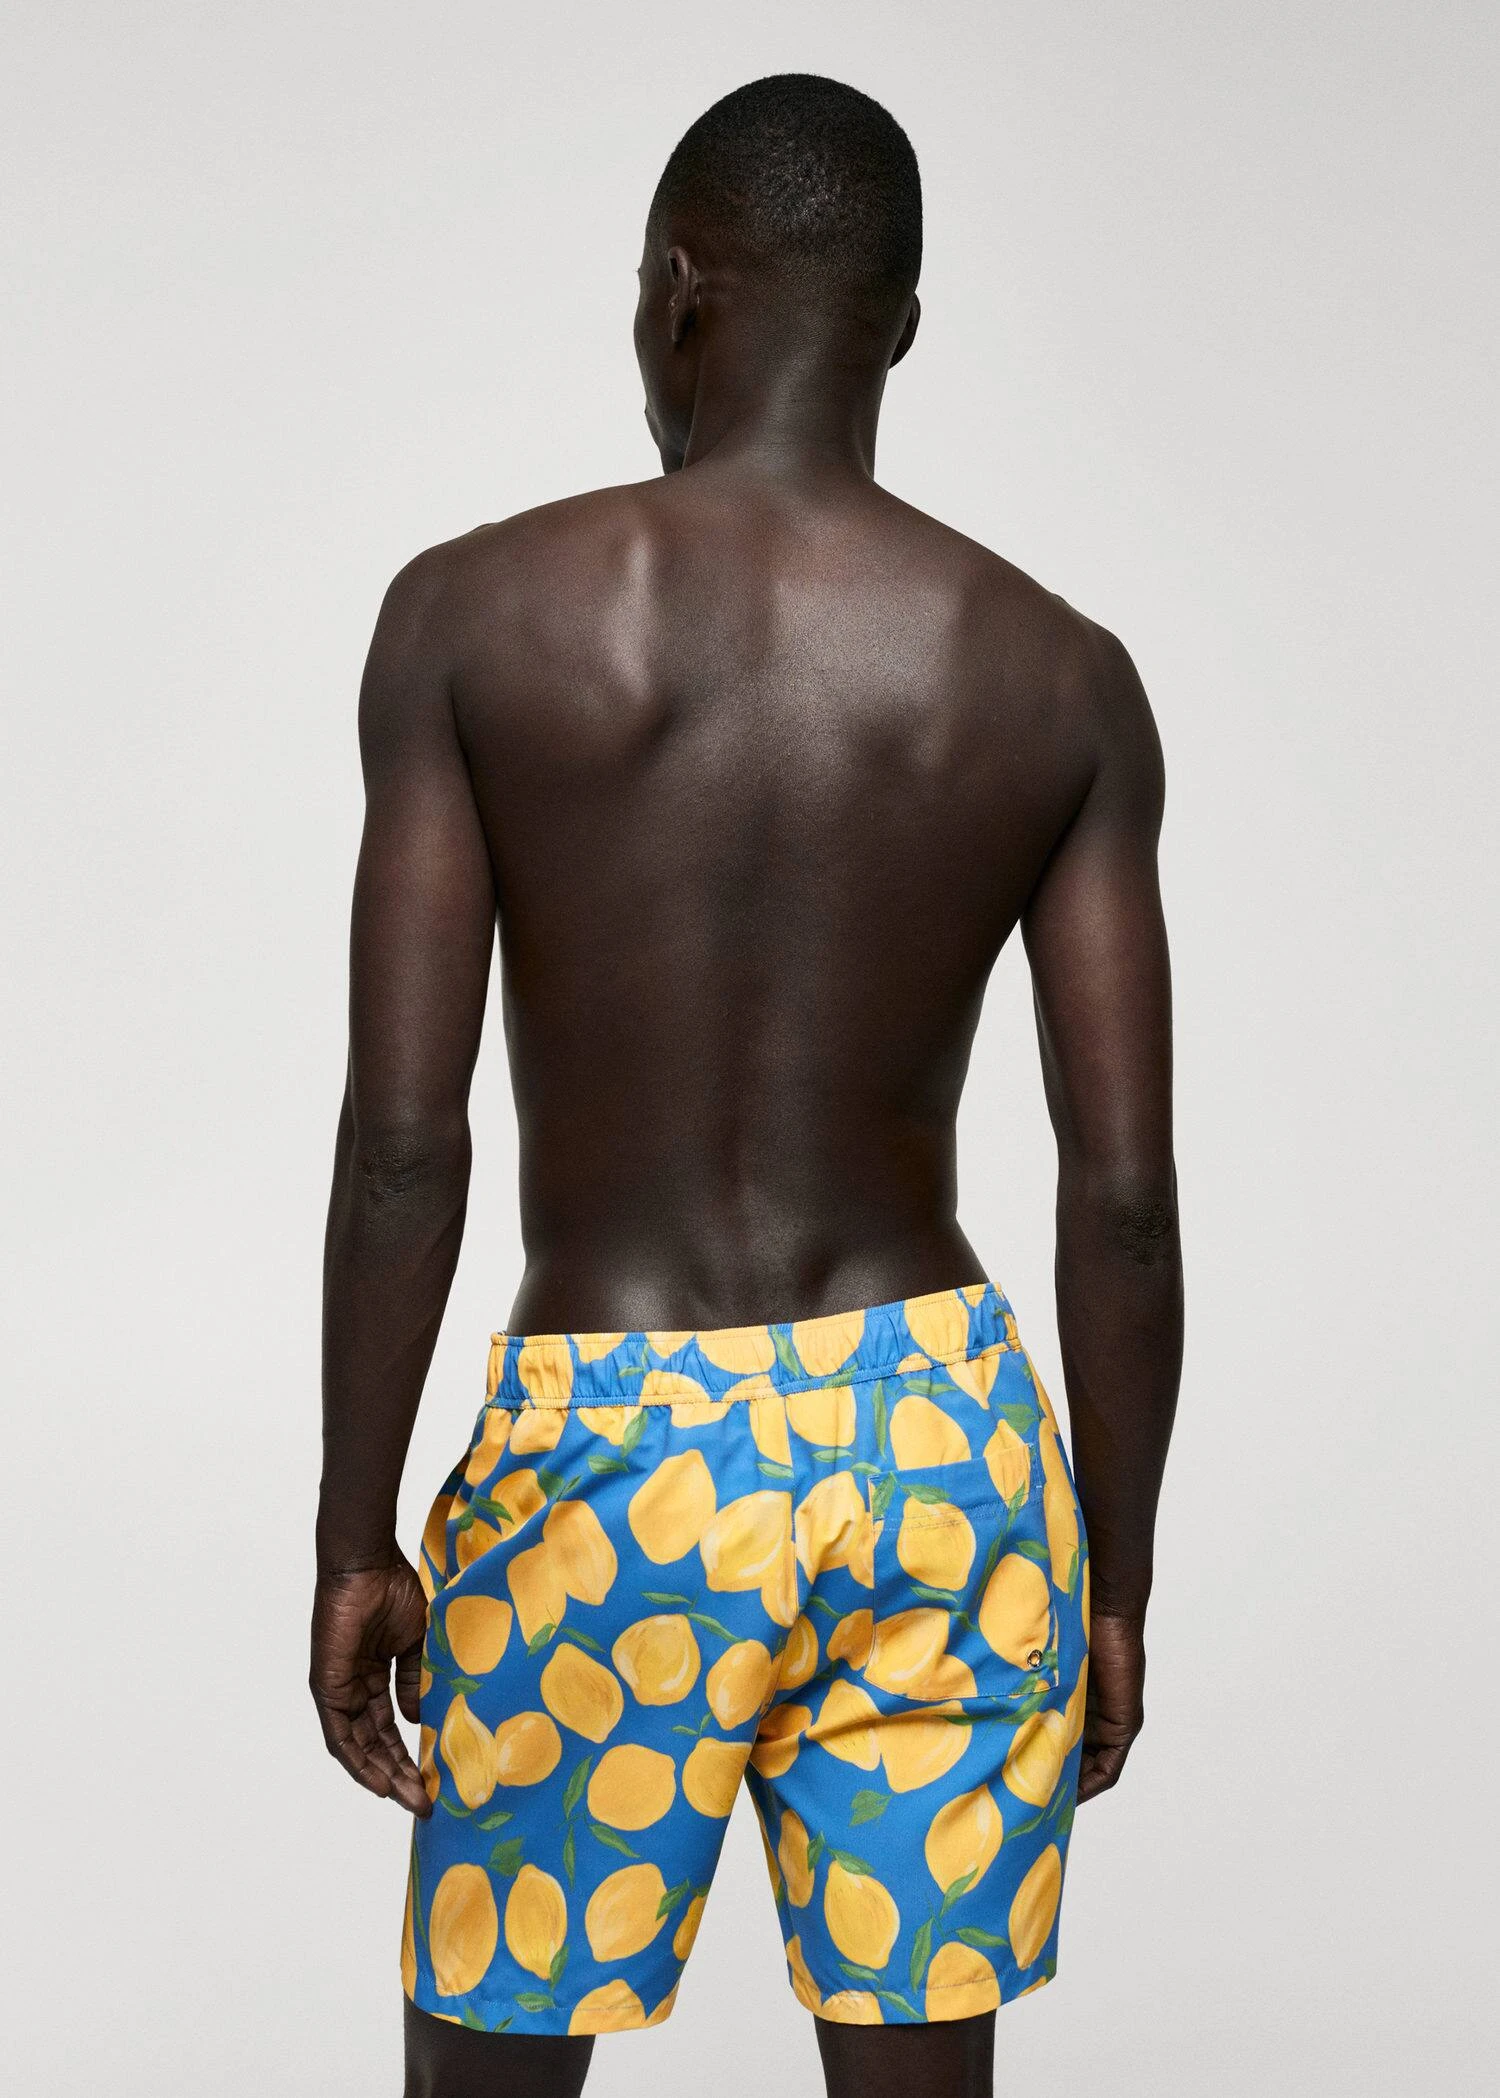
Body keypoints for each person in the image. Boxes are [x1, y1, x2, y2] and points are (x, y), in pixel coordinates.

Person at [310, 72, 1182, 2098]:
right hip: (941, 1447)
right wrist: (1115, 1578)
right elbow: (1124, 1193)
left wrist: (358, 1534)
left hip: (611, 1455)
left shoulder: (470, 618)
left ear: (678, 290)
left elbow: (405, 1145)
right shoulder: (1059, 675)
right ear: (900, 326)